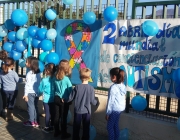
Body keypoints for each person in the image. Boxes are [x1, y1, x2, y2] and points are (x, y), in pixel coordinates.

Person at [67, 68, 99, 140]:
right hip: (87, 112)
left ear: (80, 77)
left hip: (78, 111)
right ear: (89, 77)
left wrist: (67, 100)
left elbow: (71, 97)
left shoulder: (77, 87)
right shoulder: (91, 88)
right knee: (86, 127)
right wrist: (97, 103)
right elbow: (92, 100)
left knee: (76, 127)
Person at [105, 68, 126, 140]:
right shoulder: (122, 85)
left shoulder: (113, 87)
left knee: (109, 127)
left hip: (114, 109)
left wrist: (108, 113)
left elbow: (111, 101)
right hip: (120, 109)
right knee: (115, 125)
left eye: (110, 76)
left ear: (114, 77)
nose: (110, 77)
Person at [54, 59, 72, 139]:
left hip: (56, 98)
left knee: (56, 116)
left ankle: (56, 131)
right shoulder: (66, 79)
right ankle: (64, 133)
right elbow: (70, 90)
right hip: (64, 100)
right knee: (63, 117)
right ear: (67, 68)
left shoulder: (55, 76)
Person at [23, 56, 41, 127]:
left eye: (27, 62)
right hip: (36, 92)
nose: (25, 63)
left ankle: (31, 121)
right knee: (35, 106)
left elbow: (27, 85)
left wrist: (25, 94)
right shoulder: (38, 73)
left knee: (30, 107)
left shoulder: (29, 73)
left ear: (30, 64)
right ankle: (36, 121)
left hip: (30, 93)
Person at [38, 63, 56, 133]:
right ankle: (52, 126)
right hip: (54, 99)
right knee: (53, 112)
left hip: (46, 100)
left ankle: (47, 127)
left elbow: (40, 90)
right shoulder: (56, 79)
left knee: (47, 113)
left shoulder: (44, 80)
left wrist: (38, 94)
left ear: (47, 71)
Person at [0, 50, 8, 116]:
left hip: (1, 83)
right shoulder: (6, 63)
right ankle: (4, 109)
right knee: (4, 97)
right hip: (4, 83)